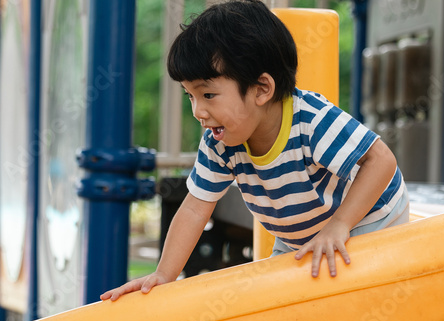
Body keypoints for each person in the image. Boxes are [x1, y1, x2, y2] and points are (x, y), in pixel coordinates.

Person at [101, 0, 408, 302]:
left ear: (262, 89)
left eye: (208, 94)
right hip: (297, 237)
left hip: (371, 218)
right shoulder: (220, 141)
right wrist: (164, 274)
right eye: (190, 96)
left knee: (341, 297)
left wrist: (340, 225)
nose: (198, 111)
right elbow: (195, 208)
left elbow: (380, 160)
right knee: (274, 305)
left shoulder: (312, 120)